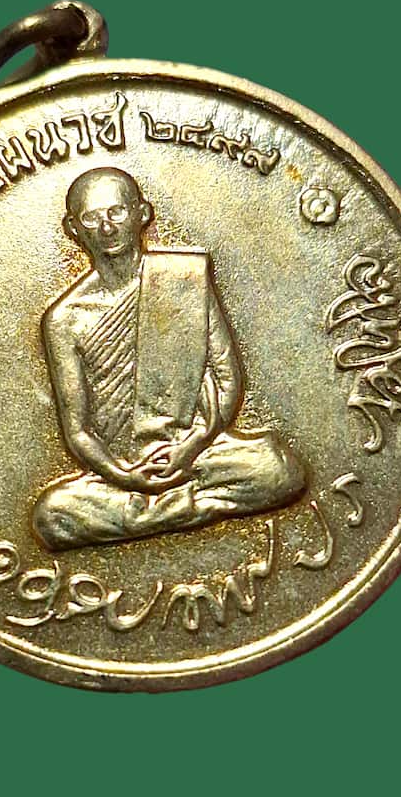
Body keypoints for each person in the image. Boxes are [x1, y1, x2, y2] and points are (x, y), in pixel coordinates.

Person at [33, 167, 305, 551]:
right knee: (52, 516)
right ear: (73, 229)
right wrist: (124, 475)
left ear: (141, 214)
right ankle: (185, 506)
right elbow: (77, 431)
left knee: (278, 468)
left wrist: (189, 447)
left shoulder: (182, 279)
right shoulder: (64, 319)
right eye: (92, 218)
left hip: (197, 451)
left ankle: (149, 513)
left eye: (117, 212)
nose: (107, 227)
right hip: (123, 470)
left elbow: (227, 381)